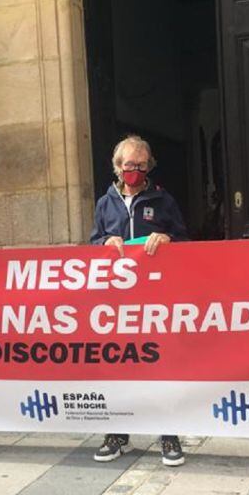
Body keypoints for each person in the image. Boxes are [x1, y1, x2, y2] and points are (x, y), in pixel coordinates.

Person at [89, 135, 189, 467]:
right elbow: (92, 244)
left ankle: (169, 434)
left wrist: (168, 238)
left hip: (157, 299)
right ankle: (118, 433)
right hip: (117, 301)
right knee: (119, 365)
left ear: (149, 167)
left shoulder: (163, 201)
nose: (135, 171)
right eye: (129, 165)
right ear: (117, 167)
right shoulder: (105, 203)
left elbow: (187, 241)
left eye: (141, 165)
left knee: (161, 365)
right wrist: (105, 241)